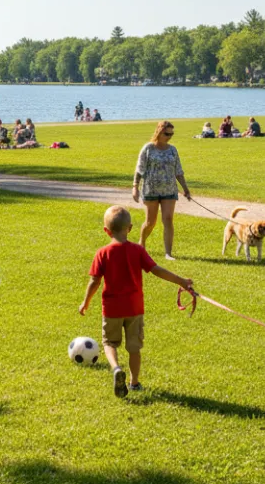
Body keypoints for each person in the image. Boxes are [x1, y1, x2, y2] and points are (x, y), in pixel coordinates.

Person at [79, 205, 194, 398]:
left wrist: (86, 302)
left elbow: (95, 281)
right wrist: (181, 280)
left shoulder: (103, 253)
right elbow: (157, 270)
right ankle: (134, 383)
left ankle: (116, 368)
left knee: (109, 343)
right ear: (130, 228)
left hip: (112, 309)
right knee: (134, 349)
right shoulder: (137, 250)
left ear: (106, 231)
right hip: (134, 308)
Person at [134, 121, 193, 261]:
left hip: (169, 190)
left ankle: (168, 253)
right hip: (151, 190)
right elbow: (139, 168)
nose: (169, 137)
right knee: (150, 222)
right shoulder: (148, 148)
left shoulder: (172, 150)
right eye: (167, 134)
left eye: (172, 134)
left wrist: (185, 189)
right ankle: (141, 244)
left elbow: (178, 171)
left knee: (168, 220)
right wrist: (135, 186)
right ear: (159, 132)